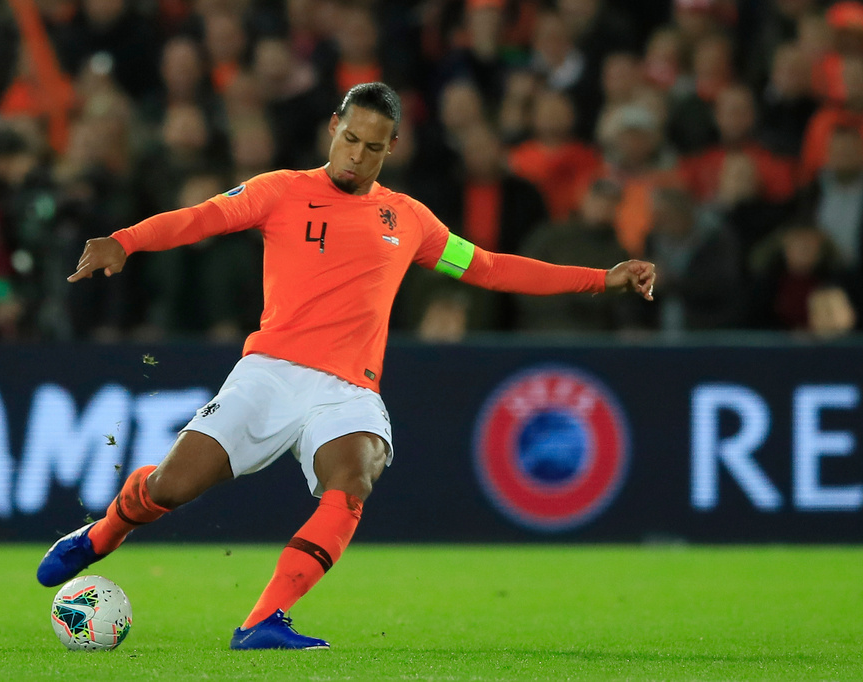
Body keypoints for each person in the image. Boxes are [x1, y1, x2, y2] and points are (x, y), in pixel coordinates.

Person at [35, 83, 656, 650]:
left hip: (347, 387)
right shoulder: (279, 190)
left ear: (393, 148)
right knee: (172, 487)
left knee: (354, 477)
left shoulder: (410, 221)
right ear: (333, 127)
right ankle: (101, 535)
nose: (357, 156)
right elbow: (202, 218)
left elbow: (491, 267)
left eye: (373, 147)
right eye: (349, 139)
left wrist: (601, 278)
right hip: (270, 372)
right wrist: (126, 239)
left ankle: (260, 621)